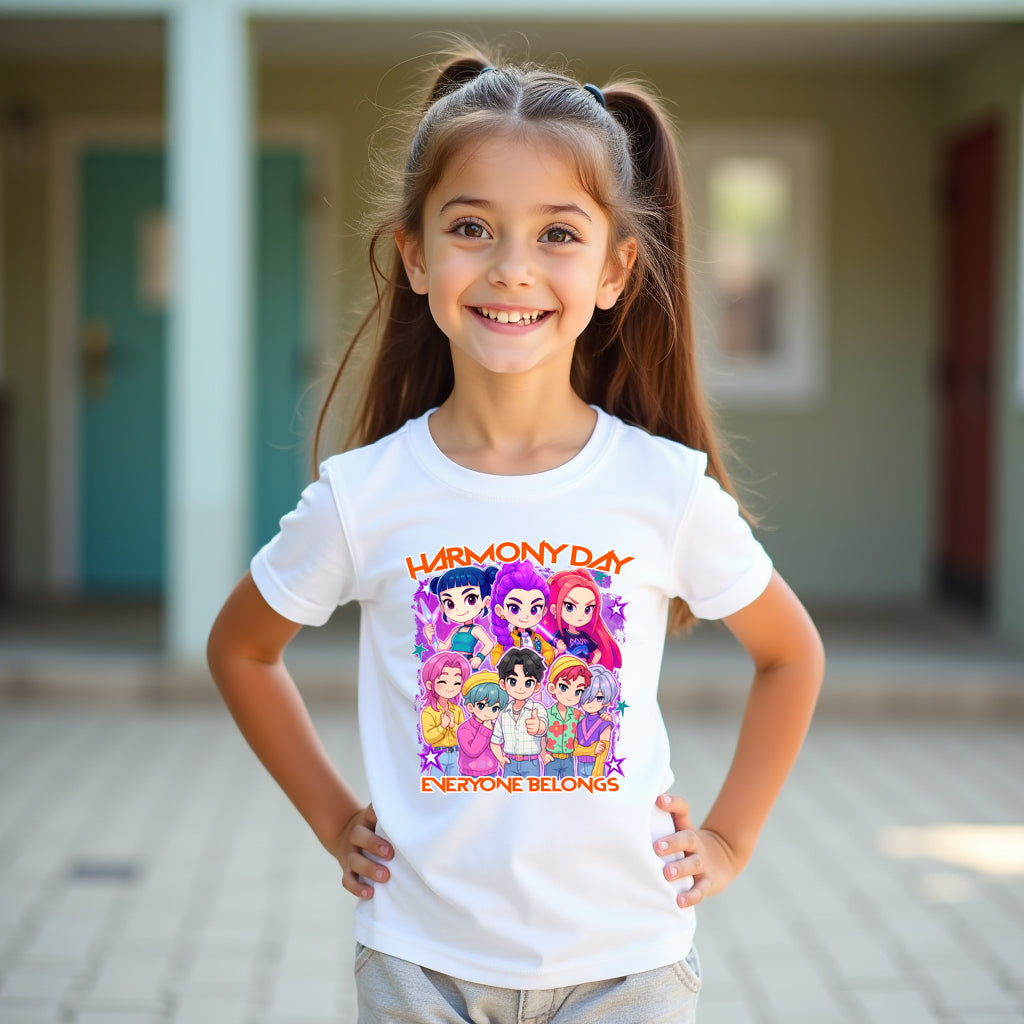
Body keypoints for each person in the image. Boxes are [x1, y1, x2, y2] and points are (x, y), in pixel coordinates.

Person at [207, 44, 824, 1024]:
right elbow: (241, 647)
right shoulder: (365, 496)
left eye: (557, 234)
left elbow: (790, 655)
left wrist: (731, 838)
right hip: (420, 960)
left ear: (616, 269)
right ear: (414, 254)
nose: (510, 268)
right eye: (470, 227)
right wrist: (333, 819)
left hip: (628, 962)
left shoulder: (661, 489)